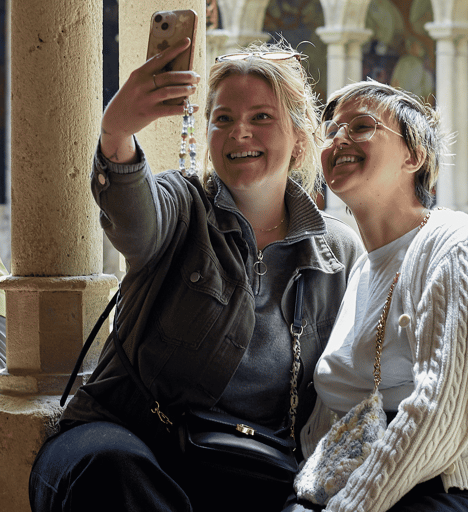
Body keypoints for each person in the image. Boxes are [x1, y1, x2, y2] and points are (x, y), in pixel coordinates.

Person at [28, 38, 363, 512]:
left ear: (300, 134)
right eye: (223, 119)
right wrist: (117, 133)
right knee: (112, 474)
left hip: (250, 461)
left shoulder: (338, 250)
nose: (239, 133)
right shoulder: (182, 207)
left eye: (261, 117)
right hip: (129, 440)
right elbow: (134, 217)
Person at [288, 80, 468, 512]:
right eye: (332, 129)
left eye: (362, 126)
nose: (339, 137)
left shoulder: (455, 245)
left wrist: (350, 507)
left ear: (414, 157)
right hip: (384, 484)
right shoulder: (360, 267)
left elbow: (441, 408)